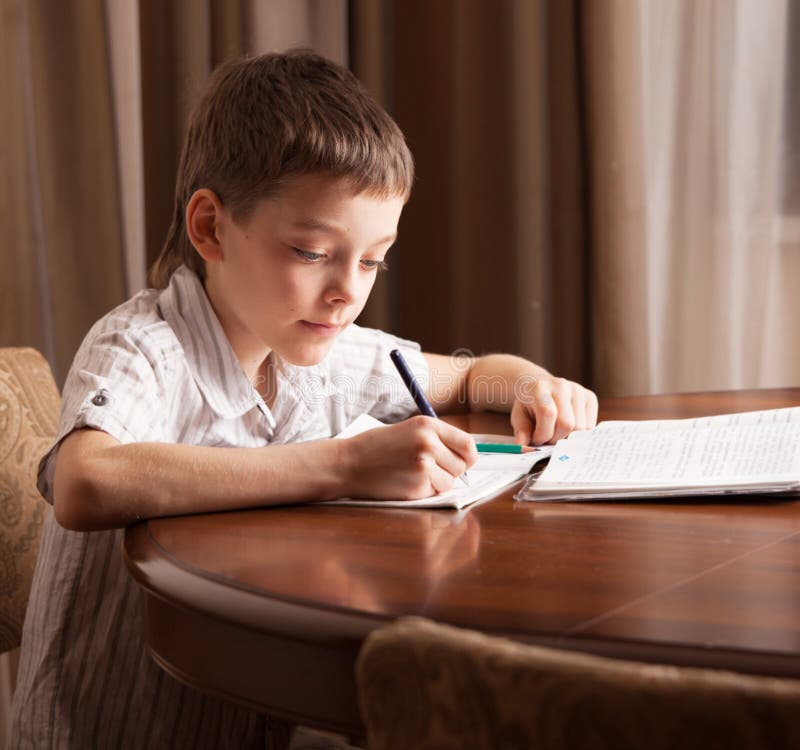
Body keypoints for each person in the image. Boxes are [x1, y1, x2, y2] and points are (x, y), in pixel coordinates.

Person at [10, 51, 598, 749]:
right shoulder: (145, 345)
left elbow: (470, 377)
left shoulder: (318, 349)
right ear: (210, 228)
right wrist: (345, 466)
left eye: (374, 259)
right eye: (312, 252)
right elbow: (85, 481)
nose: (349, 290)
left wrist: (531, 384)